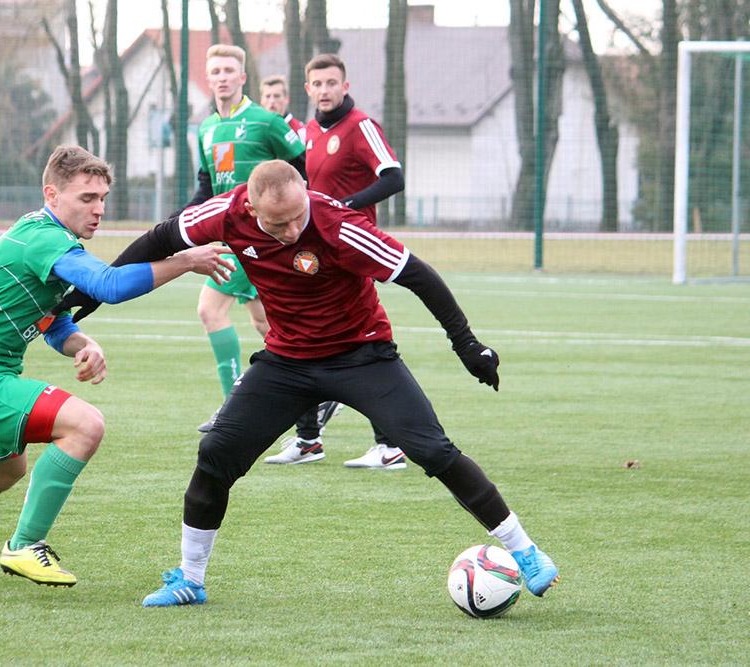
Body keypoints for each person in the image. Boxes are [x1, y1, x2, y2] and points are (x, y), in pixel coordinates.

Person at [100, 161, 560, 607]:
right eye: (277, 224)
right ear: (251, 208)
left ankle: (526, 552)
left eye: (298, 216)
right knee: (216, 453)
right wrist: (95, 289)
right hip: (286, 362)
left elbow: (417, 275)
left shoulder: (340, 226)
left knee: (433, 450)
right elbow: (160, 237)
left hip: (363, 356)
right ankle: (190, 579)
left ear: (304, 189)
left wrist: (467, 345)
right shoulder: (225, 212)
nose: (292, 230)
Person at [0, 145, 232, 587]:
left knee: (3, 471)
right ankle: (25, 546)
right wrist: (183, 261)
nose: (99, 209)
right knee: (86, 425)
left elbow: (50, 322)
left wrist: (81, 343)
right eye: (87, 198)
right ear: (52, 194)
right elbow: (109, 284)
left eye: (103, 197)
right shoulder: (44, 238)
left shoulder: (45, 238)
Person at [265, 52, 409, 469]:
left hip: (350, 248)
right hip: (315, 249)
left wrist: (344, 206)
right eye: (317, 84)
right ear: (308, 89)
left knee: (363, 340)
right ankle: (308, 438)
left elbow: (394, 176)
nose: (325, 90)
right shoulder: (309, 130)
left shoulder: (361, 126)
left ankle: (390, 445)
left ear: (345, 86)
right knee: (303, 331)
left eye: (332, 83)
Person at [183, 45, 307, 433]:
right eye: (215, 70)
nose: (221, 77)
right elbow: (208, 186)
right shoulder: (205, 128)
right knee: (267, 325)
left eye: (228, 70)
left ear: (242, 77)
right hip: (228, 234)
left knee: (210, 310)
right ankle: (315, 394)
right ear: (209, 79)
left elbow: (303, 167)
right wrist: (181, 222)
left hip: (256, 236)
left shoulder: (266, 122)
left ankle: (231, 409)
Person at [259, 74, 306, 143]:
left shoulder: (300, 131)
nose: (272, 101)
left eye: (277, 96)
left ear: (286, 99)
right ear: (261, 100)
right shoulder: (255, 129)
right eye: (268, 96)